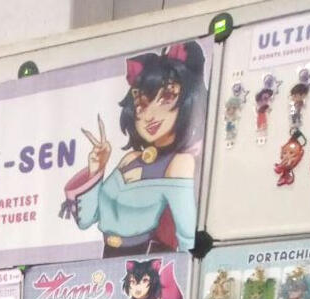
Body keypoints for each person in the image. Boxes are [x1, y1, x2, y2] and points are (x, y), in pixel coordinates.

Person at [61, 43, 208, 255]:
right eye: (142, 104)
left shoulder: (179, 163)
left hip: (147, 257)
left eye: (166, 99)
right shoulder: (129, 159)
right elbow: (85, 220)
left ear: (187, 101)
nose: (149, 115)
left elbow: (187, 238)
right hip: (108, 257)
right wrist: (97, 169)